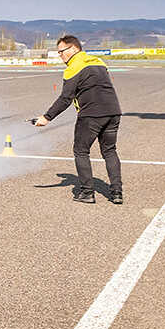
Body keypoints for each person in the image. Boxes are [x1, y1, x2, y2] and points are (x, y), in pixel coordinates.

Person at [33, 35, 123, 204]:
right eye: (58, 52)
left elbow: (66, 98)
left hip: (91, 114)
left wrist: (47, 118)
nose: (60, 56)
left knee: (81, 151)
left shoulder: (73, 67)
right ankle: (117, 192)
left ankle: (87, 192)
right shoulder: (99, 62)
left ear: (73, 49)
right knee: (110, 151)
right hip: (113, 111)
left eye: (62, 52)